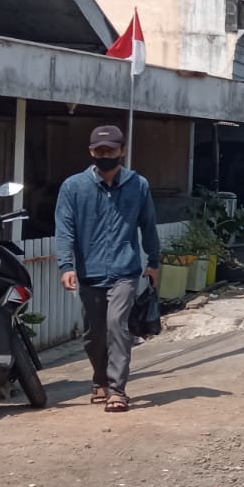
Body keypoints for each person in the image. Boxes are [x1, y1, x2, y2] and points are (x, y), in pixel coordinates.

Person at [55, 125, 161, 413]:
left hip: (125, 270)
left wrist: (154, 262)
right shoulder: (73, 187)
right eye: (99, 150)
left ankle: (117, 390)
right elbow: (64, 230)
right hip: (89, 272)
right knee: (94, 334)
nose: (104, 155)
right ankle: (100, 379)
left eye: (110, 150)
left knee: (117, 326)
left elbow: (148, 225)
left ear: (122, 151)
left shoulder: (138, 185)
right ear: (91, 152)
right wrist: (66, 265)